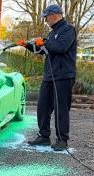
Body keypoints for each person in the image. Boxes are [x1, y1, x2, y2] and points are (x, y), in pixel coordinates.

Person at [16, 4, 77, 151]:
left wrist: (45, 42)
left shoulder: (68, 30)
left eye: (46, 17)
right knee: (42, 107)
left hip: (63, 77)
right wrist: (28, 46)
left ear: (55, 15)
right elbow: (43, 50)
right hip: (49, 76)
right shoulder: (51, 33)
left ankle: (62, 140)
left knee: (60, 108)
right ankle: (44, 136)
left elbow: (61, 47)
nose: (45, 20)